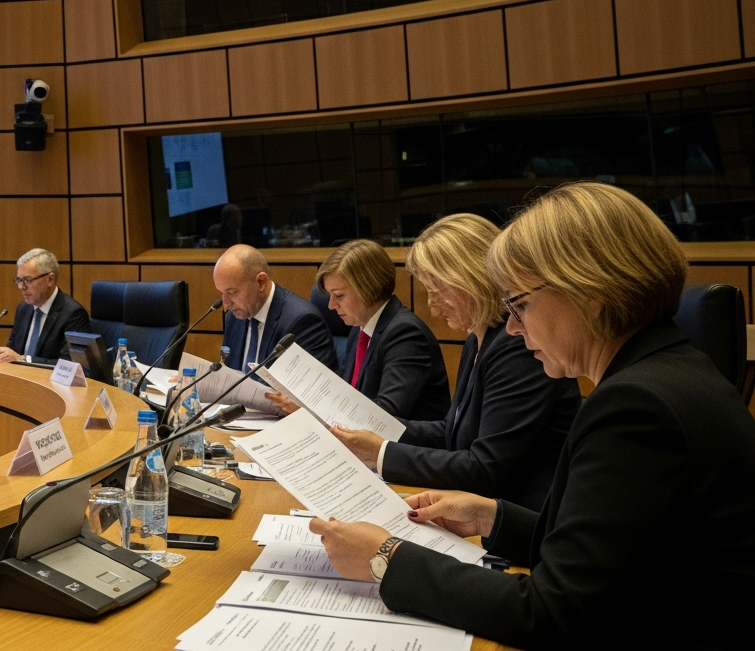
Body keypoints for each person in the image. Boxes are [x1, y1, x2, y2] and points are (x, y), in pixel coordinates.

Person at [308, 182, 755, 648]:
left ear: (590, 290)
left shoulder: (637, 408)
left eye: (520, 305)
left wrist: (387, 556)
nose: (515, 328)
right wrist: (493, 517)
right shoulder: (667, 373)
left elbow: (552, 613)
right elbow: (607, 558)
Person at [324, 214, 580, 510]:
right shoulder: (477, 338)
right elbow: (451, 432)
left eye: (439, 291)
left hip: (523, 523)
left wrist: (381, 452)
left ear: (472, 277)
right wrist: (373, 429)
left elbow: (484, 470)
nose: (432, 306)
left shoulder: (518, 345)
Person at [279, 239, 450, 420]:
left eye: (339, 295)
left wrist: (316, 410)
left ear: (370, 289)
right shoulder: (359, 329)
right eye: (330, 296)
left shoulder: (406, 334)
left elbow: (385, 415)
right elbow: (347, 395)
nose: (331, 305)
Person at [215, 244, 337, 373]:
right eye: (221, 293)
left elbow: (313, 388)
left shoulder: (302, 321)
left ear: (261, 282)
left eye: (232, 292)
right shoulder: (234, 317)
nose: (226, 303)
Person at [0, 248, 91, 364]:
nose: (21, 287)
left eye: (28, 280)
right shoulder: (23, 309)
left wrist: (23, 360)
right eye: (18, 280)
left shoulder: (73, 314)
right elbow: (13, 349)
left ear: (50, 279)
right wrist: (1, 356)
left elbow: (69, 364)